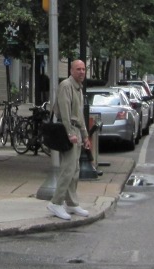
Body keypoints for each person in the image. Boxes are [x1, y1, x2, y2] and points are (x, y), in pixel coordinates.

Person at [46, 60, 91, 220]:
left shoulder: (78, 88)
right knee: (68, 169)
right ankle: (56, 202)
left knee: (75, 170)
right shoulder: (66, 86)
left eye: (83, 69)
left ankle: (71, 203)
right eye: (78, 69)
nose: (81, 72)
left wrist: (85, 136)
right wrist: (70, 133)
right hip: (69, 131)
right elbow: (65, 113)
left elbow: (79, 115)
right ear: (71, 70)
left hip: (76, 131)